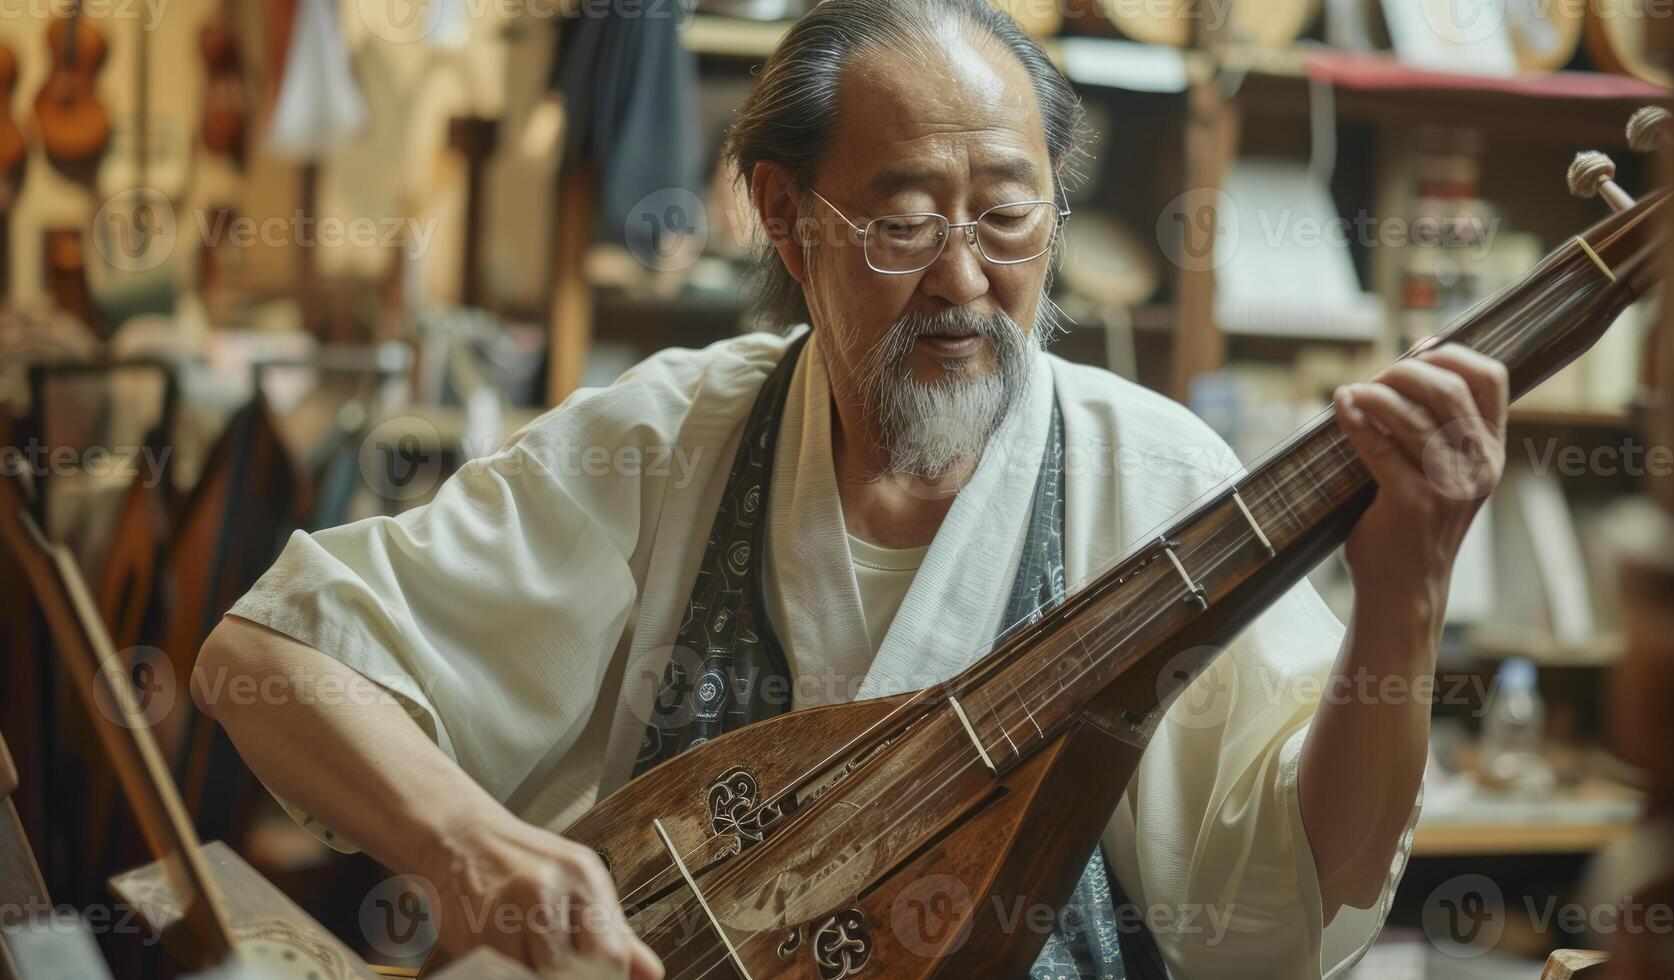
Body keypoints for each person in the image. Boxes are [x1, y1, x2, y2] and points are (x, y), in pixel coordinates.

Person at [196, 1, 1508, 976]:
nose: (960, 277)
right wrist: (474, 852)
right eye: (900, 219)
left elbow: (1308, 892)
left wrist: (1405, 593)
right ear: (783, 216)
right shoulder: (666, 442)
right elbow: (266, 660)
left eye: (1006, 214)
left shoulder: (1159, 478)